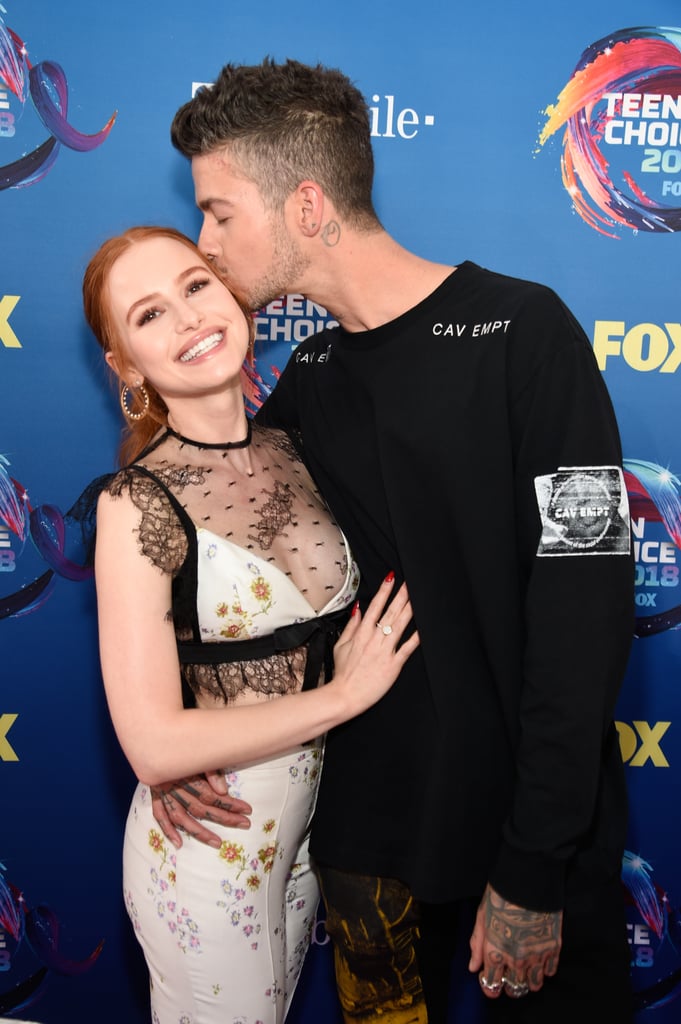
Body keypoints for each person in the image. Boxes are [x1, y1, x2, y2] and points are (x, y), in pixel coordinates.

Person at [151, 59, 635, 1023]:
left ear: (306, 204)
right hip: (365, 841)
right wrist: (181, 733)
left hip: (530, 836)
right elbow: (219, 569)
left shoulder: (523, 332)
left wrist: (534, 865)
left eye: (218, 212)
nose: (205, 242)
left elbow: (585, 614)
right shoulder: (309, 379)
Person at [81, 223, 420, 1024]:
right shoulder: (133, 504)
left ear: (232, 293)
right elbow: (154, 745)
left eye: (195, 286)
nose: (189, 318)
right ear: (125, 364)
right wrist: (347, 694)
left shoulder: (305, 448)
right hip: (208, 849)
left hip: (314, 838)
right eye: (149, 314)